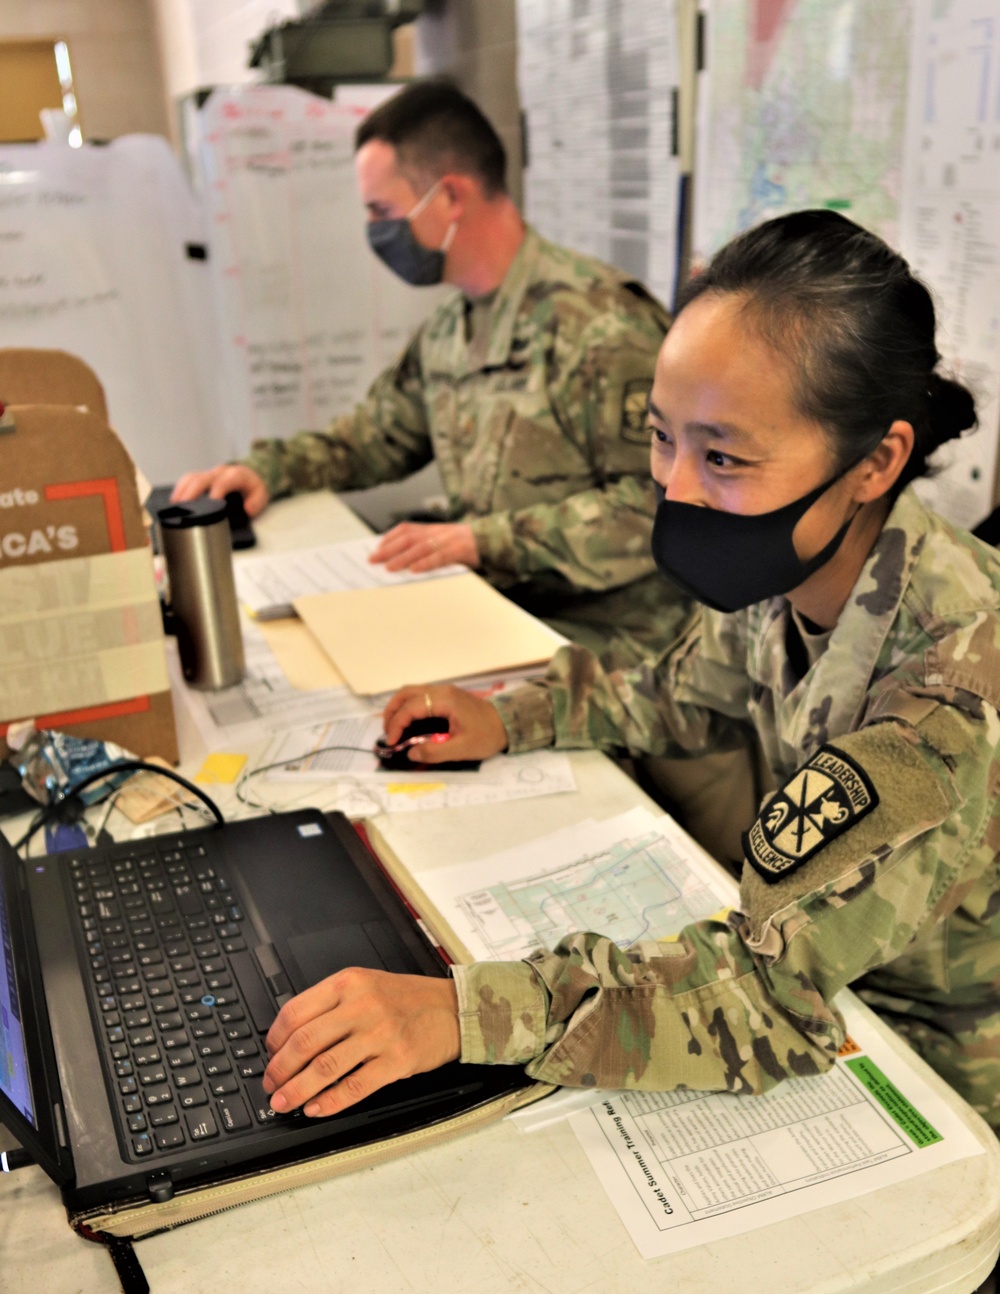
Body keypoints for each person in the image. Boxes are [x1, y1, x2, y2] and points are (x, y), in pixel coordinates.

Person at [258, 209, 1000, 1130]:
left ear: (874, 461)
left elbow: (769, 996)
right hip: (845, 981)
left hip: (943, 1066)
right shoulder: (800, 560)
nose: (676, 487)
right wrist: (512, 719)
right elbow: (671, 691)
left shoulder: (952, 688)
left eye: (722, 454)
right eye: (662, 438)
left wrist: (463, 1013)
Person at [171, 80, 693, 674]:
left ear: (449, 196)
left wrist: (484, 541)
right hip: (507, 620)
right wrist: (266, 470)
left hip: (619, 655)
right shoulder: (452, 326)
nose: (374, 232)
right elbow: (374, 438)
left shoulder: (601, 327)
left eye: (382, 212)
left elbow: (662, 507)